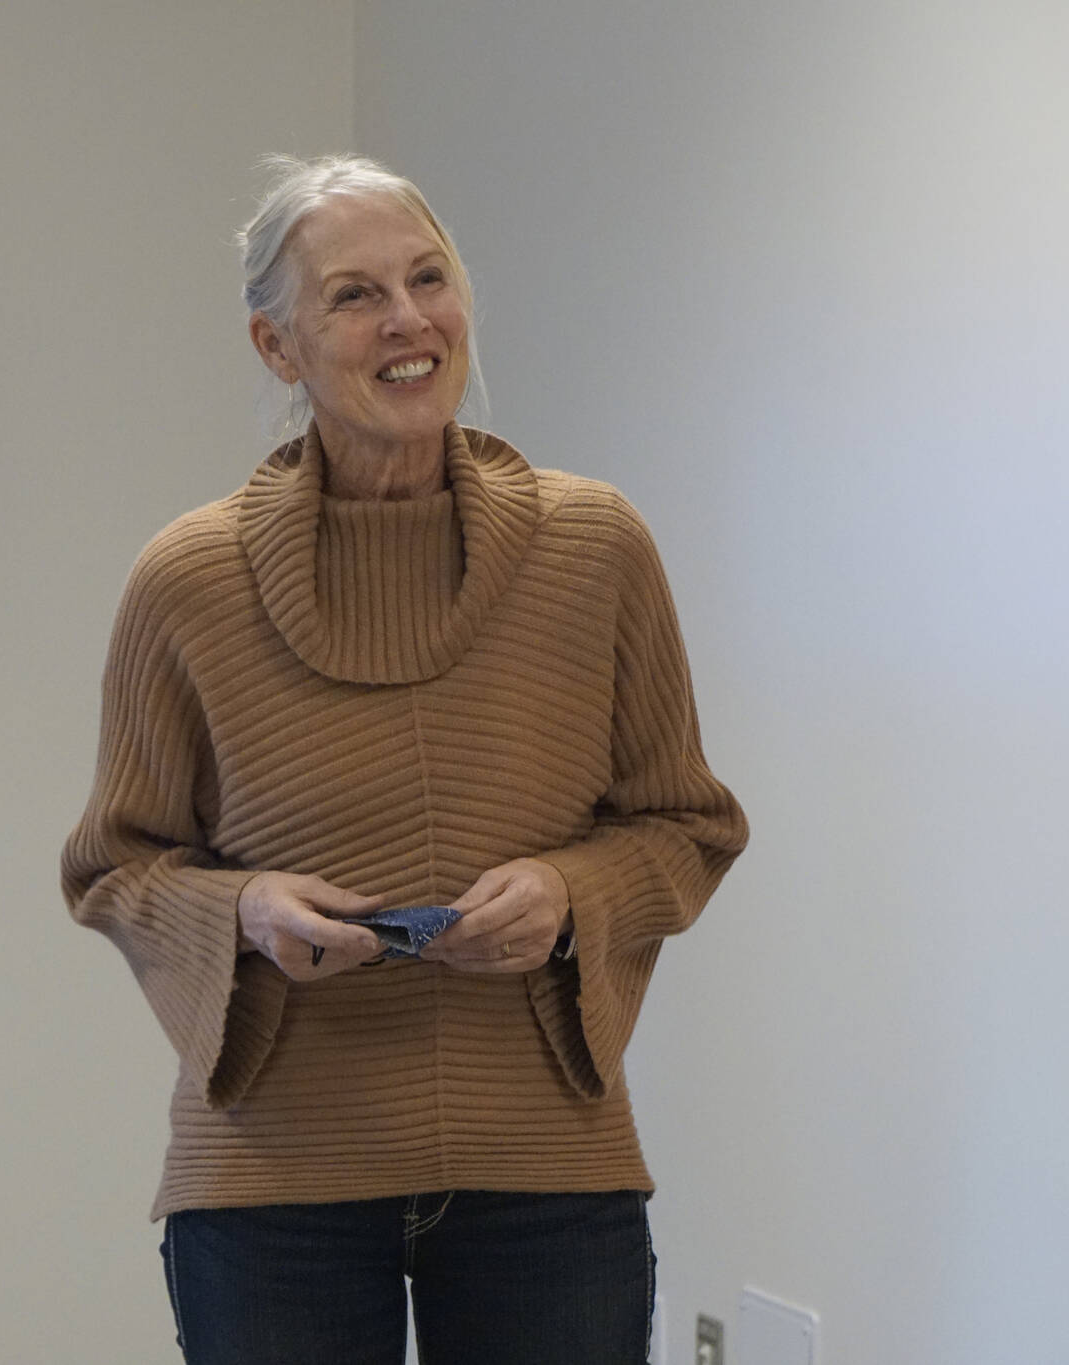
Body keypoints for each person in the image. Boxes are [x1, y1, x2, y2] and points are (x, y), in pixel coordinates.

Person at [60, 153, 748, 1365]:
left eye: (428, 278)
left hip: (544, 1171)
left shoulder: (595, 550)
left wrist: (570, 895)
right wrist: (246, 911)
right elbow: (114, 867)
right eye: (354, 295)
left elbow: (685, 823)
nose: (408, 320)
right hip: (274, 1183)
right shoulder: (187, 578)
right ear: (277, 349)